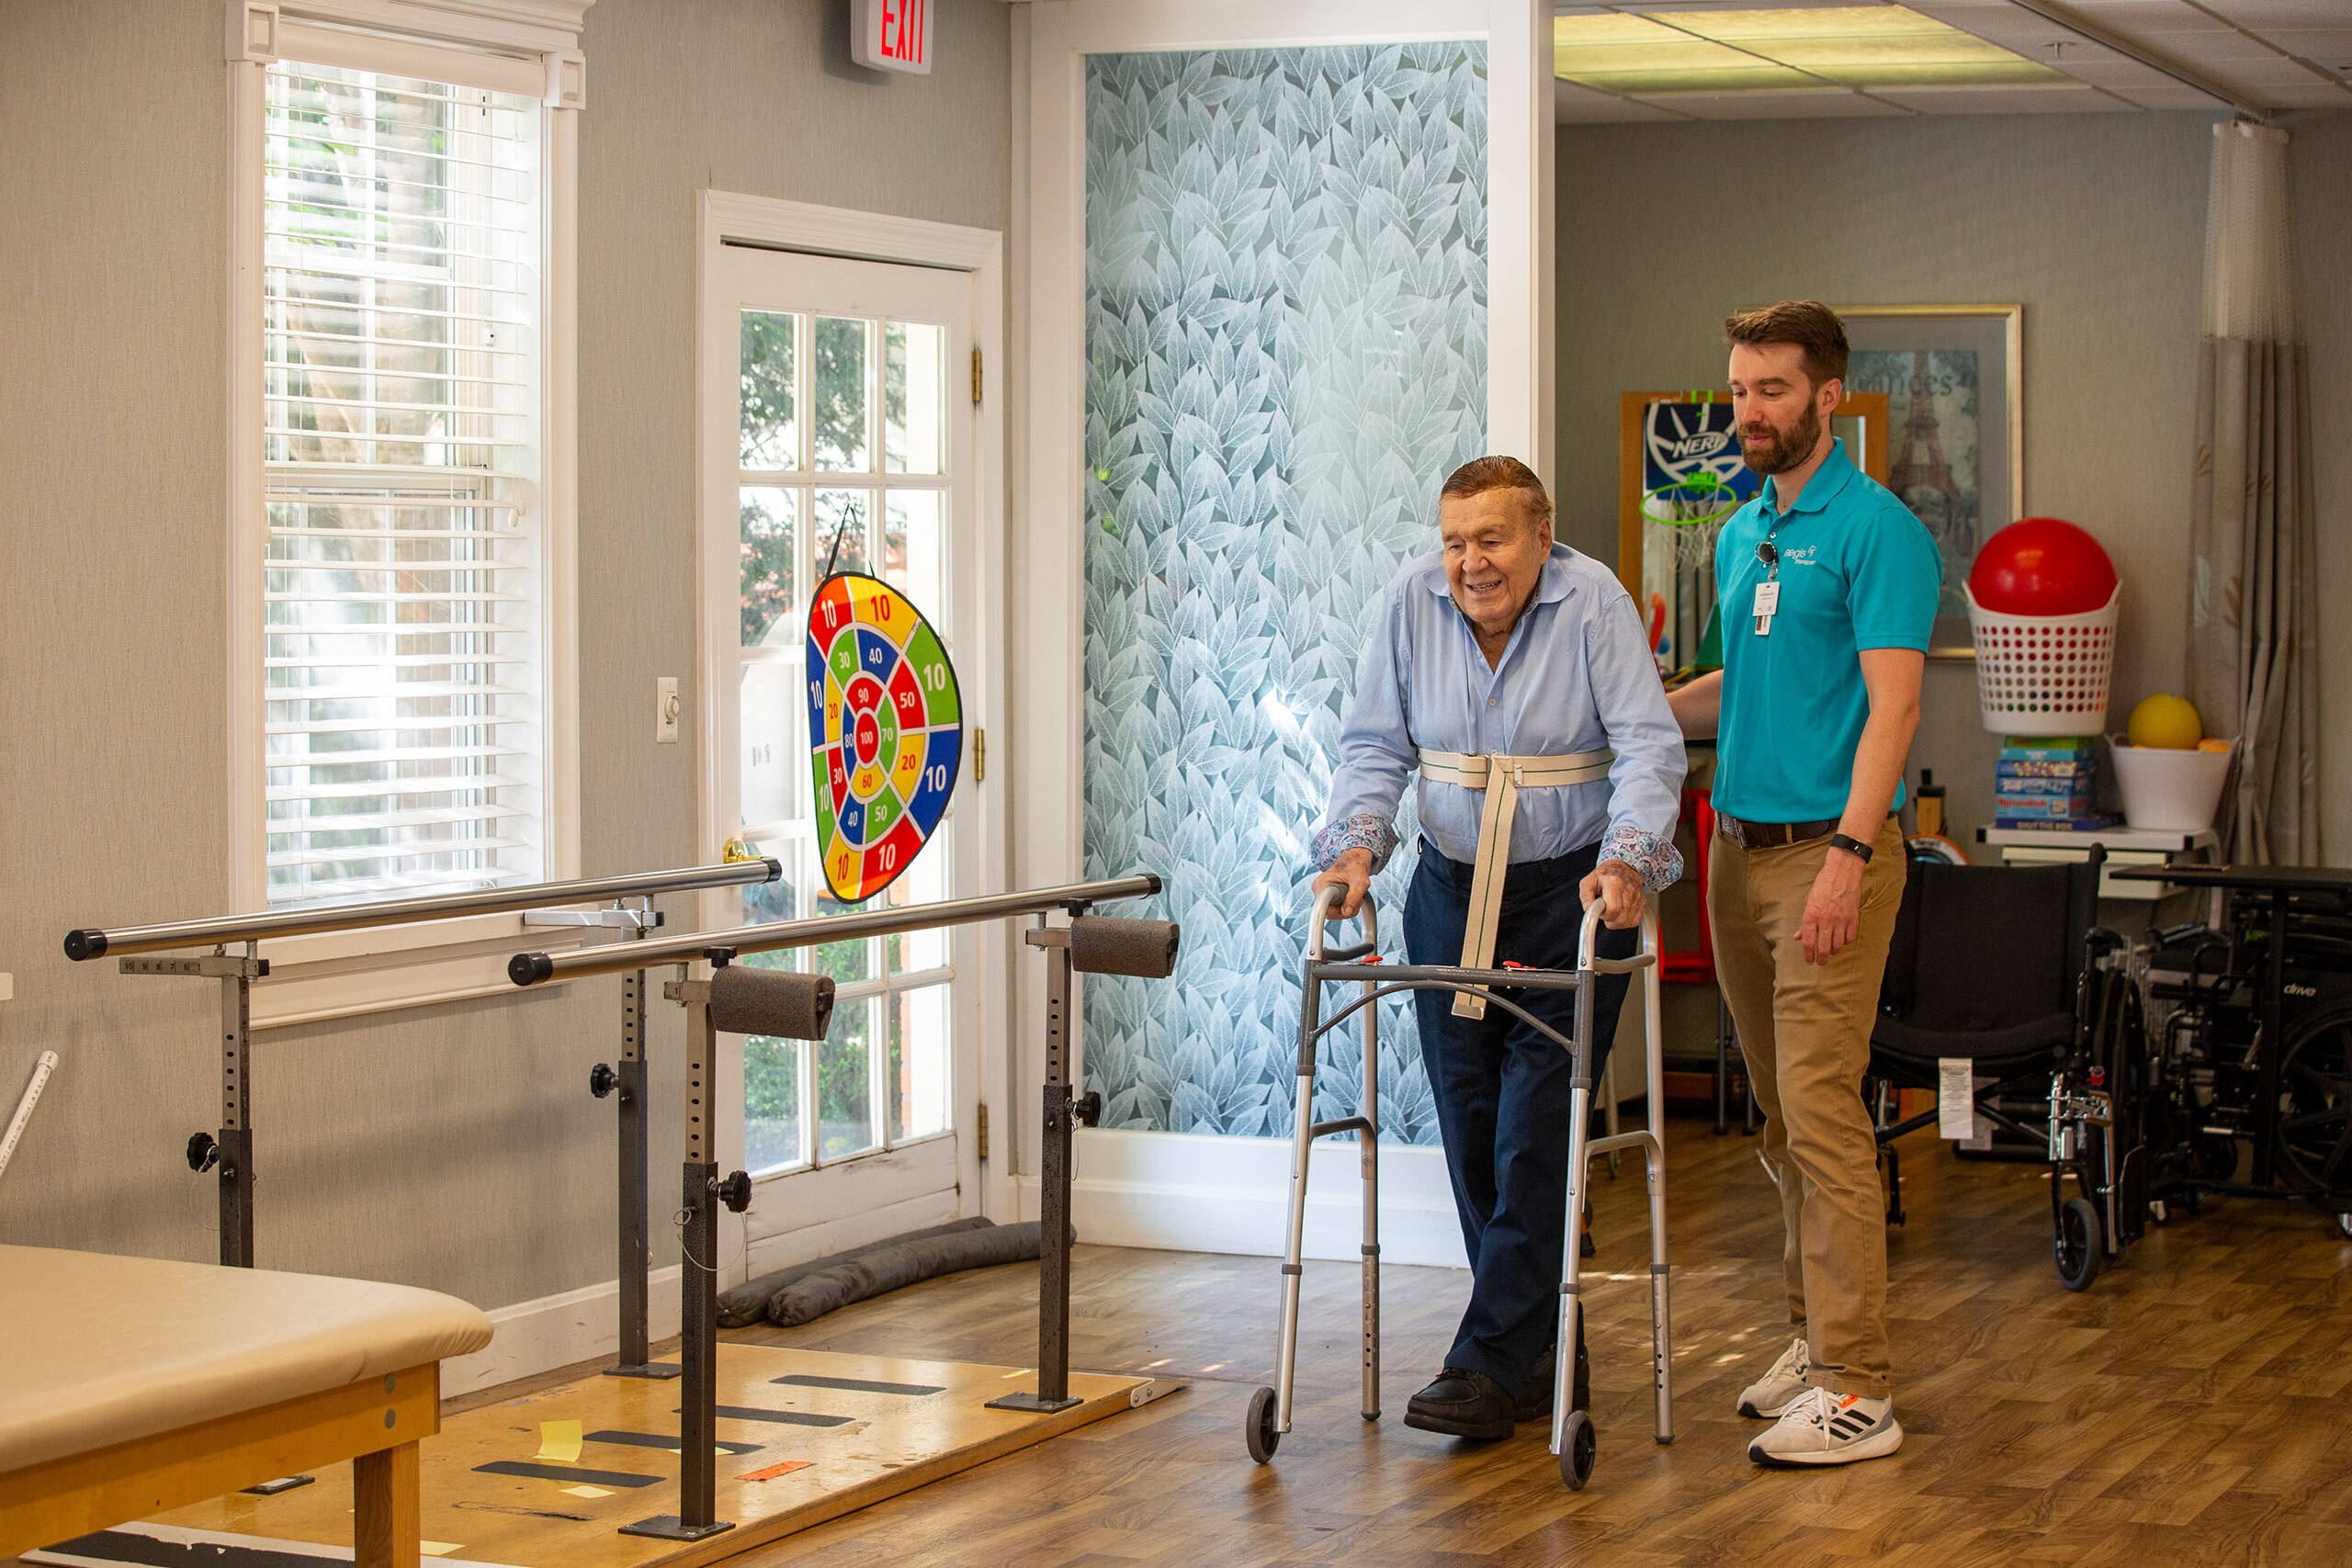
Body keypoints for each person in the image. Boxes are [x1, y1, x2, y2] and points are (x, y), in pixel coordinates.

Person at [1310, 456, 1684, 1440]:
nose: (1470, 562)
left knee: (1534, 1134)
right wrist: (1356, 846)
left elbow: (1649, 747)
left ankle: (1484, 1363)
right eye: (1454, 540)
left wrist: (1631, 864)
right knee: (1471, 1128)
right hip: (1447, 887)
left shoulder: (1590, 601)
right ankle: (1541, 1352)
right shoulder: (1409, 604)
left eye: (1491, 539)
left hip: (1568, 896)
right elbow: (1374, 747)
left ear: (1540, 537)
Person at [1668, 300, 1939, 1468]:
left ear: (1829, 395)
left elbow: (1896, 706)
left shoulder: (1878, 530)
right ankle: (1807, 1339)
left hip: (1827, 862)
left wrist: (1850, 855)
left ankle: (1858, 1386)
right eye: (1737, 390)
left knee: (1824, 1114)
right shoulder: (1743, 534)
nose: (1747, 413)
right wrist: (1627, 713)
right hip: (1733, 850)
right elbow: (1744, 689)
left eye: (1771, 390)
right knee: (1782, 1117)